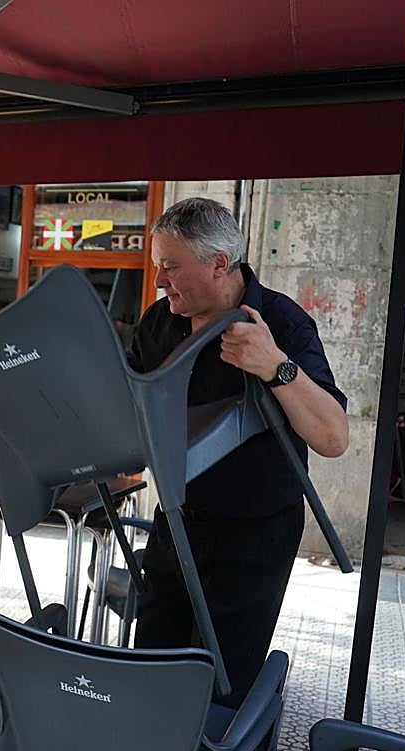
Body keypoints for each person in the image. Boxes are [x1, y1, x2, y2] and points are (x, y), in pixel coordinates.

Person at [129, 197, 349, 706]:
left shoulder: (282, 322)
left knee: (224, 689)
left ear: (220, 265)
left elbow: (334, 438)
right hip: (178, 524)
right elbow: (131, 409)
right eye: (157, 266)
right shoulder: (159, 324)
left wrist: (276, 365)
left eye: (170, 267)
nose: (160, 281)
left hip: (255, 535)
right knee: (152, 674)